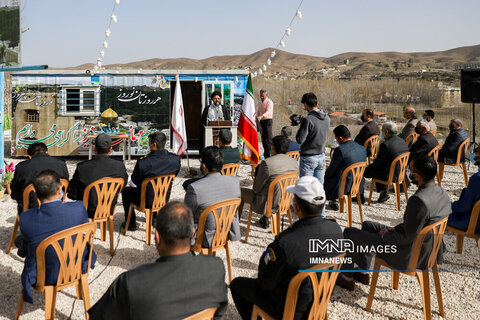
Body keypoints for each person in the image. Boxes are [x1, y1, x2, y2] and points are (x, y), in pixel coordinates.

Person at [88, 201, 228, 320]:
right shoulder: (216, 267)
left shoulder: (132, 282)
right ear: (192, 234)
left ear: (157, 238)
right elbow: (218, 312)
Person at [230, 176, 343, 320]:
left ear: (296, 207)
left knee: (237, 285)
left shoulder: (285, 244)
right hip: (319, 300)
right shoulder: (336, 229)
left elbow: (265, 283)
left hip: (291, 311)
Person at [339, 156, 451, 288]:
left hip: (410, 255)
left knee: (349, 232)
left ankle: (346, 278)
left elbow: (407, 238)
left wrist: (385, 235)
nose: (409, 173)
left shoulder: (419, 200)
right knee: (367, 225)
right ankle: (363, 272)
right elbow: (419, 223)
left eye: (411, 170)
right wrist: (394, 229)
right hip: (427, 248)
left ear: (419, 176)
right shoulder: (441, 191)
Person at [20, 170, 96, 304]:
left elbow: (26, 249)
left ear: (36, 195)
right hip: (77, 266)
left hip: (44, 276)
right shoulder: (78, 208)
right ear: (60, 189)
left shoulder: (26, 217)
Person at [121, 131, 180, 231]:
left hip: (146, 201)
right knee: (153, 188)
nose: (148, 145)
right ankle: (155, 218)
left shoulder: (143, 162)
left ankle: (130, 223)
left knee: (126, 191)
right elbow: (174, 175)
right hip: (163, 197)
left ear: (154, 145)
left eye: (149, 143)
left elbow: (134, 181)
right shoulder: (175, 160)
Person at [184, 146, 241, 247]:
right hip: (226, 232)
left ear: (204, 167)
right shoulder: (235, 182)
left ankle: (186, 255)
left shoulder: (194, 188)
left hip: (204, 237)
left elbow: (186, 214)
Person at [240, 135, 298, 228]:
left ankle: (234, 225)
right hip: (286, 200)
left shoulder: (267, 163)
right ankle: (265, 219)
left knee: (240, 192)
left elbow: (256, 189)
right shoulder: (294, 163)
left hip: (267, 203)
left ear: (273, 147)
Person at [68, 133, 128, 219]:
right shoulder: (120, 166)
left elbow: (73, 193)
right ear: (110, 149)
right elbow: (122, 187)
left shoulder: (82, 167)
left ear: (94, 148)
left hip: (87, 210)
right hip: (108, 209)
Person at [296, 92, 330, 216]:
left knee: (306, 189)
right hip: (321, 156)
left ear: (305, 104)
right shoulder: (327, 117)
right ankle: (321, 215)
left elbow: (300, 139)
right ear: (317, 103)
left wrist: (301, 126)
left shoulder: (308, 119)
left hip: (308, 158)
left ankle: (306, 216)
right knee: (319, 189)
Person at [11, 142, 69, 212]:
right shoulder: (61, 164)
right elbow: (66, 185)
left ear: (29, 156)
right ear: (47, 152)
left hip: (30, 209)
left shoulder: (21, 167)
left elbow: (15, 193)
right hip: (56, 206)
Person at [364, 122, 409, 203]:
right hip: (402, 174)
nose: (382, 133)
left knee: (372, 170)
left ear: (387, 131)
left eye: (382, 131)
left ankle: (382, 192)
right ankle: (383, 192)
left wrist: (367, 168)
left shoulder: (385, 144)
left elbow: (378, 163)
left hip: (392, 176)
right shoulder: (403, 141)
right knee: (380, 167)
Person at [325, 125, 367, 209]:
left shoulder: (340, 150)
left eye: (336, 139)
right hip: (358, 183)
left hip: (345, 186)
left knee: (327, 176)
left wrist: (327, 169)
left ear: (340, 138)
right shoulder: (362, 148)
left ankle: (333, 200)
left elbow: (331, 172)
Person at [447, 146, 480, 232]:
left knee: (434, 215)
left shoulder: (476, 178)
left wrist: (447, 205)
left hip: (473, 222)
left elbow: (464, 206)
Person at [257, 89, 274, 158]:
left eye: (263, 96)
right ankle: (266, 155)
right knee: (263, 138)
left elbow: (269, 112)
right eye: (260, 95)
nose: (261, 97)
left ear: (266, 95)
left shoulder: (270, 102)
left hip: (268, 121)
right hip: (261, 121)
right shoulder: (259, 102)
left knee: (269, 138)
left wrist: (262, 116)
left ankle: (272, 153)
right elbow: (258, 111)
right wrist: (257, 117)